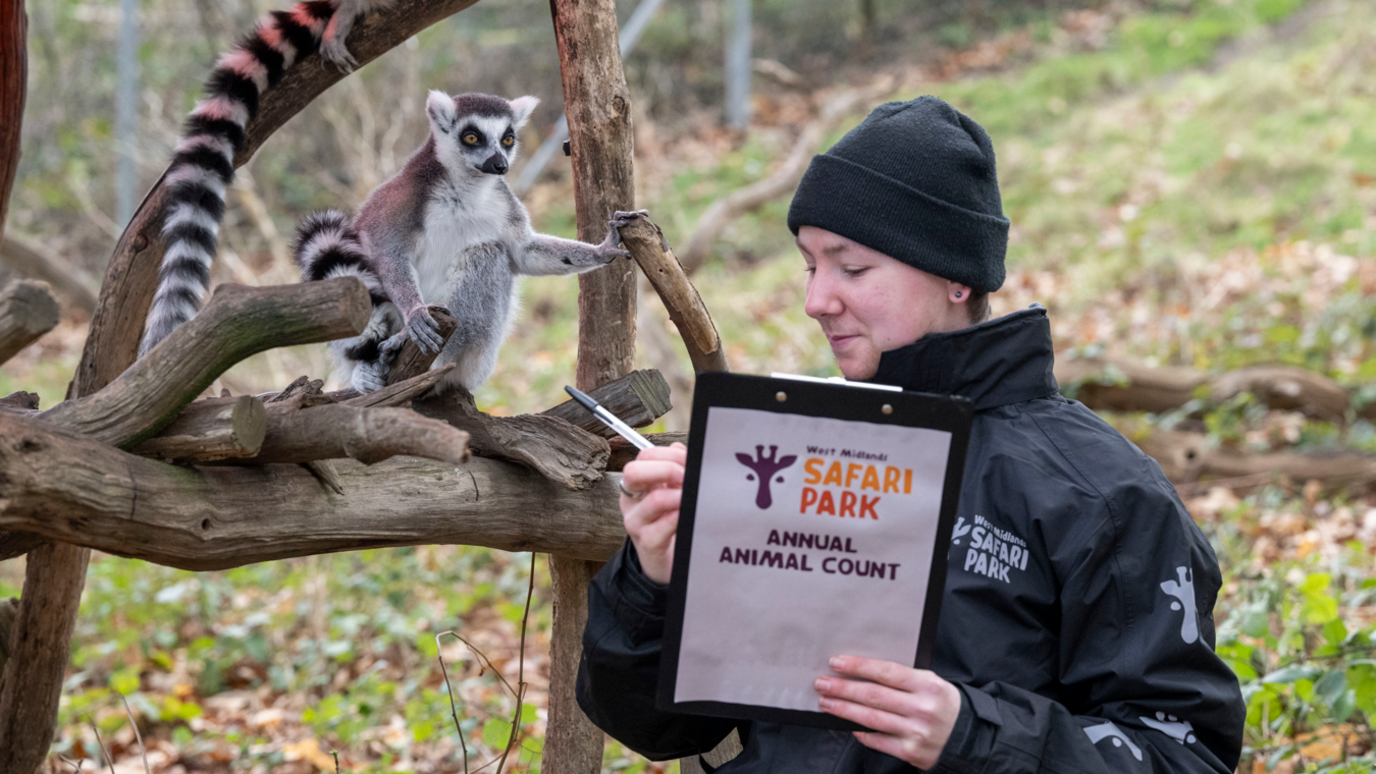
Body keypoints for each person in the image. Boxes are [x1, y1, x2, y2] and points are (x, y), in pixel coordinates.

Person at [576, 96, 1245, 772]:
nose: (815, 301)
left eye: (852, 268)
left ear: (955, 276)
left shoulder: (1099, 492)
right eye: (811, 265)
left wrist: (972, 735)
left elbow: (1185, 753)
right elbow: (655, 730)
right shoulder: (791, 456)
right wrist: (656, 582)